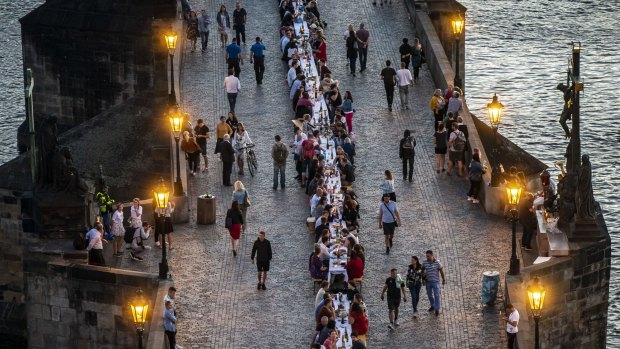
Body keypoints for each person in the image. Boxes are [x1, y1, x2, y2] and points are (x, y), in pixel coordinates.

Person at [422, 250, 446, 316]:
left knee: (436, 295)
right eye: (426, 256)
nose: (427, 257)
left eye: (428, 256)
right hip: (428, 282)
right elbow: (422, 270)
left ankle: (437, 308)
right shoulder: (424, 262)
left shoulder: (437, 263)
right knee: (429, 295)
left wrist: (443, 279)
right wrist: (423, 279)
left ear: (432, 255)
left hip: (435, 282)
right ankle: (433, 305)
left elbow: (441, 271)